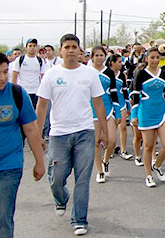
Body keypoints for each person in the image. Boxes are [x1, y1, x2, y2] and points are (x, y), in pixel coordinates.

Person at [35, 34, 108, 236]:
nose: (70, 50)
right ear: (61, 50)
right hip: (59, 134)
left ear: (79, 51)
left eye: (74, 47)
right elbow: (42, 106)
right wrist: (37, 135)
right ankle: (61, 198)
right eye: (66, 47)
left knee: (83, 178)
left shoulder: (89, 74)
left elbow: (98, 103)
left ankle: (79, 220)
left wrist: (103, 130)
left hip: (85, 131)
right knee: (57, 177)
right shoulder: (51, 75)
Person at [0, 52, 45, 238]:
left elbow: (31, 129)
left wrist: (39, 161)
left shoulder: (17, 94)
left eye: (5, 72)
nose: (2, 78)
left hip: (9, 166)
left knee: (3, 217)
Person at [130, 47, 165, 187]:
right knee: (148, 146)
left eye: (157, 57)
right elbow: (135, 95)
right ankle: (148, 175)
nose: (155, 60)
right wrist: (134, 115)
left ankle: (157, 165)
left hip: (161, 112)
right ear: (146, 59)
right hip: (145, 113)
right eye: (152, 57)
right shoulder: (141, 74)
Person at [89, 46, 121, 184]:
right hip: (92, 110)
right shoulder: (87, 72)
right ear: (92, 57)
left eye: (101, 55)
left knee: (112, 140)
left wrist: (118, 112)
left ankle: (105, 160)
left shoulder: (109, 72)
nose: (99, 58)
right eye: (96, 55)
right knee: (96, 142)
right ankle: (100, 172)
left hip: (108, 109)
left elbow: (114, 93)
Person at [107, 54, 133, 160]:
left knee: (122, 126)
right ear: (112, 62)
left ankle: (123, 150)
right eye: (118, 62)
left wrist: (127, 104)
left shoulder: (122, 75)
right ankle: (110, 148)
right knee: (111, 128)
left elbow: (124, 89)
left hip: (121, 102)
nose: (121, 64)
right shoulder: (106, 73)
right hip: (109, 103)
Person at [11, 38, 46, 108]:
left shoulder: (40, 60)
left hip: (36, 91)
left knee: (35, 113)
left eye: (34, 46)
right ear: (26, 47)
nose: (32, 48)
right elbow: (14, 76)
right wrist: (13, 91)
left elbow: (43, 77)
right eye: (30, 46)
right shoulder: (20, 60)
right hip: (23, 91)